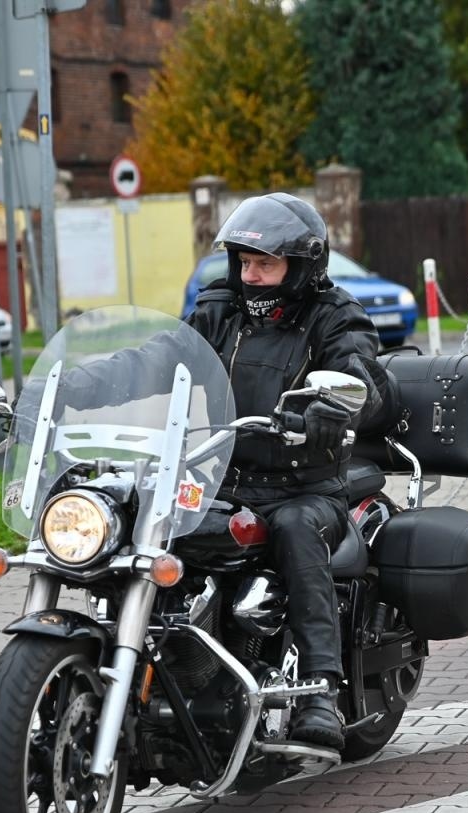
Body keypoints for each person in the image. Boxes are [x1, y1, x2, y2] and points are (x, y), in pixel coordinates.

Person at [182, 193, 386, 750]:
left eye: (265, 264)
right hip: (224, 482)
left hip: (305, 487)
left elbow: (362, 373)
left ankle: (321, 687)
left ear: (300, 268)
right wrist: (90, 382)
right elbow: (168, 356)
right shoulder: (219, 310)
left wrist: (337, 404)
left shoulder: (333, 314)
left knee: (296, 530)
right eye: (244, 263)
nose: (251, 276)